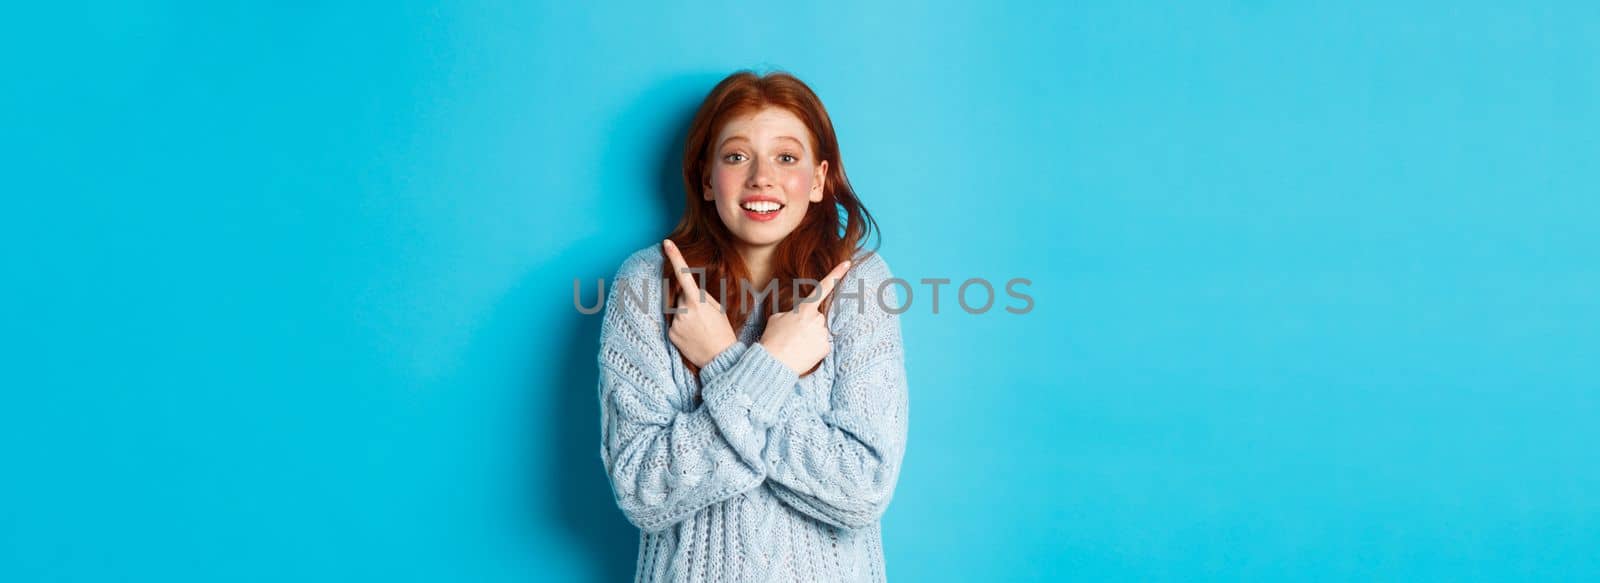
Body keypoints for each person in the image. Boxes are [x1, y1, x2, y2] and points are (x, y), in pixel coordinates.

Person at [595, 70, 910, 582]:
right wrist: (772, 365)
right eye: (737, 156)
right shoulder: (647, 283)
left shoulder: (859, 283)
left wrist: (723, 359)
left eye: (786, 158)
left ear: (818, 179)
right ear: (704, 177)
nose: (761, 177)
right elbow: (642, 490)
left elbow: (862, 489)